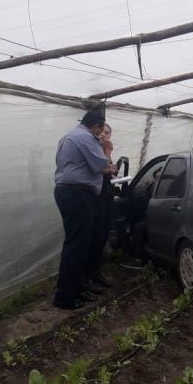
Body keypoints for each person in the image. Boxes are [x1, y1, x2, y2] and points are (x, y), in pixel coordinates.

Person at [53, 111, 116, 310]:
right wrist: (107, 152)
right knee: (76, 246)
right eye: (101, 130)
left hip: (66, 191)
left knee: (76, 243)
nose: (101, 134)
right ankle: (66, 298)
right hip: (78, 194)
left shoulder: (68, 136)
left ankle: (76, 289)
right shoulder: (86, 138)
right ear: (96, 126)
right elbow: (102, 166)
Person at [85, 123, 117, 288]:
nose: (105, 136)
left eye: (108, 134)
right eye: (103, 132)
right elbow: (100, 169)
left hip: (106, 197)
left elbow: (110, 170)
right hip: (95, 198)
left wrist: (109, 155)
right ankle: (88, 276)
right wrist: (108, 151)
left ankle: (96, 273)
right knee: (94, 237)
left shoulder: (103, 150)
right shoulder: (92, 149)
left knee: (102, 236)